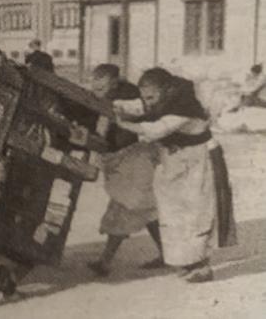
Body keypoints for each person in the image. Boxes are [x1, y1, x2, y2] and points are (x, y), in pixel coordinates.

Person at [114, 67, 237, 283]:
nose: (148, 103)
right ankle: (187, 262)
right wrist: (113, 104)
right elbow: (138, 106)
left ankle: (202, 266)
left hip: (198, 163)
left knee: (196, 213)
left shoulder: (183, 107)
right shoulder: (162, 102)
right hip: (176, 163)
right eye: (145, 97)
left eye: (151, 97)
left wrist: (123, 123)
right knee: (173, 212)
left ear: (166, 90)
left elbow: (156, 129)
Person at [86, 64, 163, 277]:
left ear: (113, 82)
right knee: (144, 210)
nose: (96, 91)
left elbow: (141, 111)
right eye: (94, 86)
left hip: (133, 158)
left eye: (101, 87)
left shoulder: (129, 95)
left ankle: (105, 262)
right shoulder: (109, 95)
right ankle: (167, 253)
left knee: (124, 208)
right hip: (122, 159)